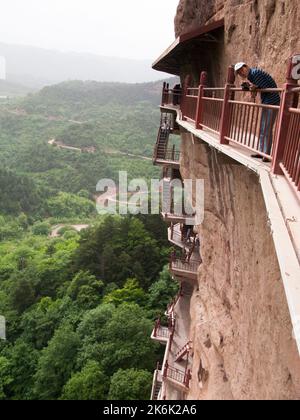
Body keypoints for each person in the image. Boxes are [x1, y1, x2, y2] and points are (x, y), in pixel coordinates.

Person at [234, 63, 281, 162]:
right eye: (239, 72)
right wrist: (250, 86)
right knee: (263, 128)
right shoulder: (251, 76)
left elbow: (263, 88)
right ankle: (262, 152)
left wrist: (252, 87)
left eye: (241, 70)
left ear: (245, 67)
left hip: (272, 101)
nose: (241, 73)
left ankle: (266, 155)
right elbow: (260, 87)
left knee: (266, 128)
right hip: (268, 102)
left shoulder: (255, 74)